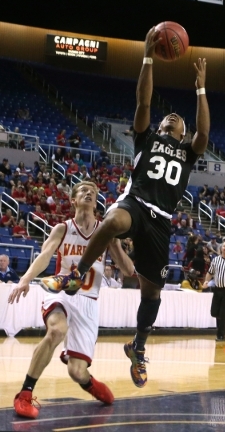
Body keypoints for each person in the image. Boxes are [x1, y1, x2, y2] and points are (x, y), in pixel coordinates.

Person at [41, 27, 210, 388]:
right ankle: (75, 274)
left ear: (183, 132)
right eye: (169, 118)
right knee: (112, 221)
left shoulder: (188, 152)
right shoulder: (146, 136)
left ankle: (138, 346)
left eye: (177, 120)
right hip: (136, 202)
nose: (171, 118)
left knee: (152, 294)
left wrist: (200, 88)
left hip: (161, 221)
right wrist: (148, 56)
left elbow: (205, 134)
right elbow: (144, 102)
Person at [8, 180, 135, 419]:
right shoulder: (62, 228)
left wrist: (115, 243)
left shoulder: (106, 231)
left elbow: (128, 270)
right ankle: (24, 394)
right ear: (73, 200)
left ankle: (91, 384)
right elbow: (45, 256)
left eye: (93, 191)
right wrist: (25, 279)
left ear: (96, 201)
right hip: (62, 293)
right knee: (56, 330)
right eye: (83, 190)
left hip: (88, 303)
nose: (89, 192)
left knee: (77, 372)